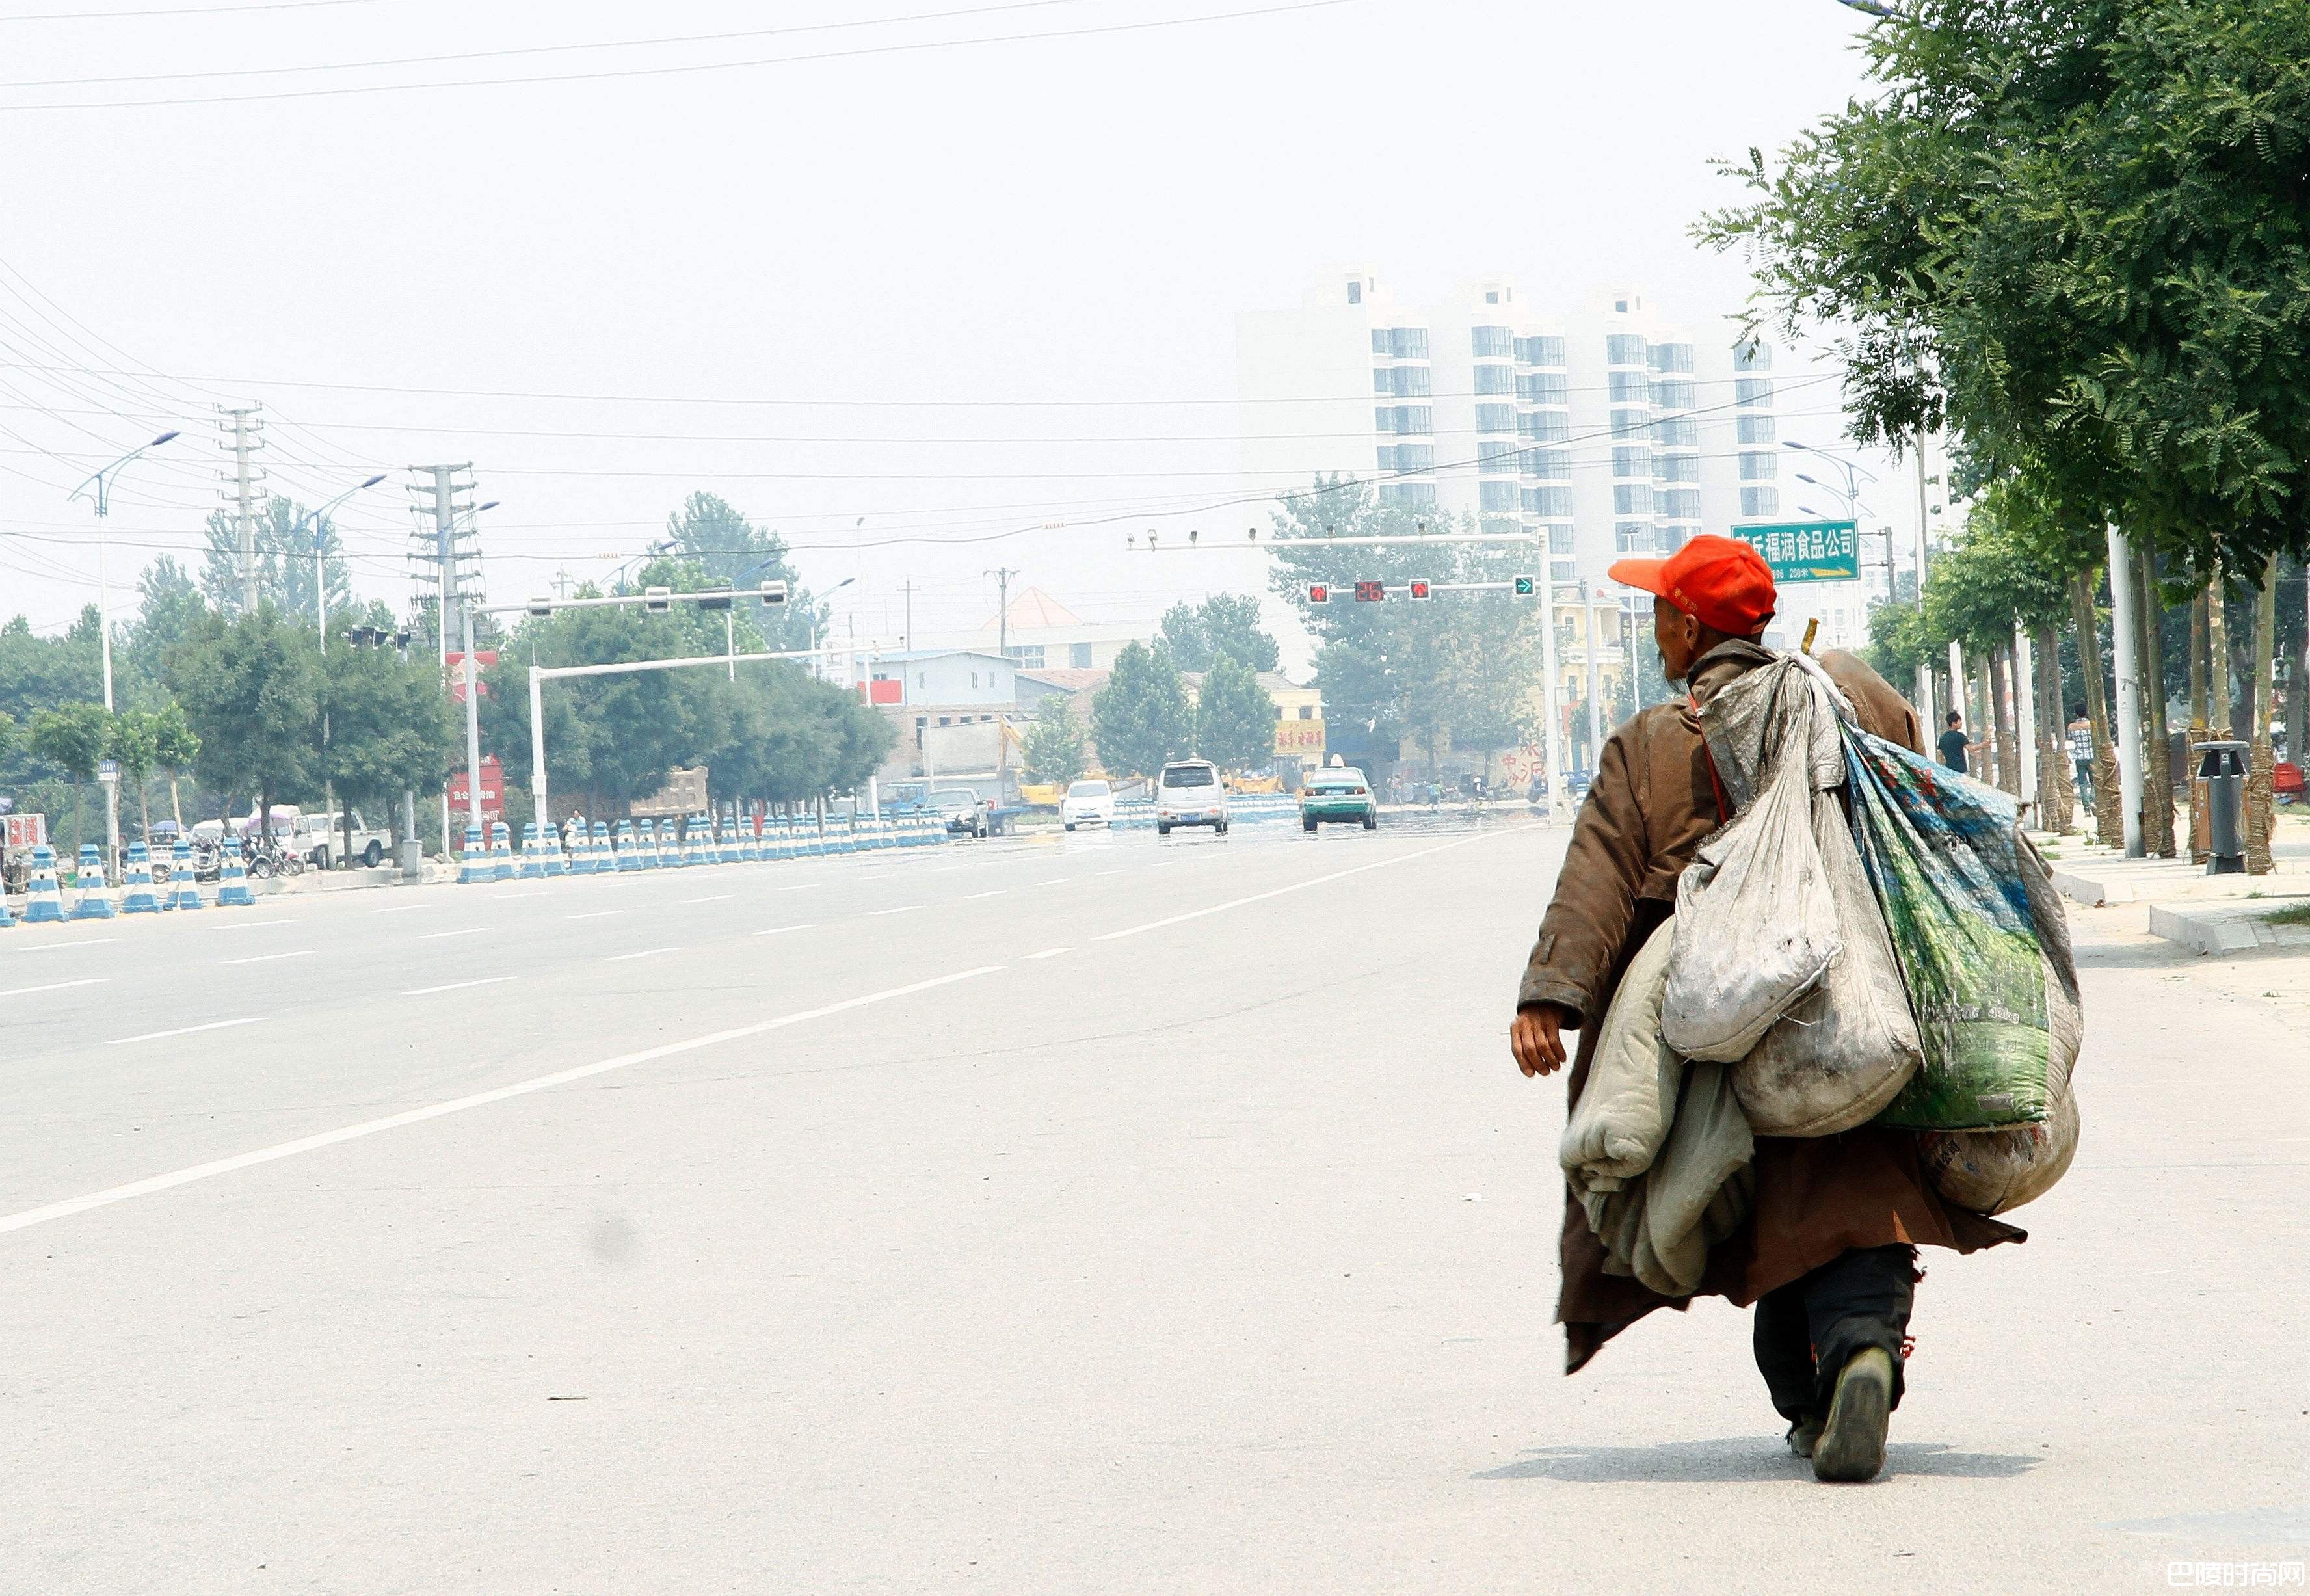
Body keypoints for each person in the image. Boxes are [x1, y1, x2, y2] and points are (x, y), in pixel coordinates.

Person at [1507, 534, 2023, 1484]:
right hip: (1859, 992)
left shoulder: (1659, 740)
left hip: (1722, 1023)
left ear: (1690, 626)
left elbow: (1599, 875)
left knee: (1764, 1200)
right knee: (1859, 1184)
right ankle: (1863, 1349)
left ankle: (1816, 1387)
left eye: (1661, 611)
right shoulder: (1847, 704)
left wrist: (1552, 996)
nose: (1655, 627)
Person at [1936, 710, 1978, 774]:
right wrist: (1984, 744)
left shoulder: (1942, 738)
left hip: (1949, 770)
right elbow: (1971, 749)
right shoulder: (1960, 736)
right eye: (1959, 721)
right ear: (1954, 723)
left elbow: (1939, 756)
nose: (1961, 723)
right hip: (1961, 770)